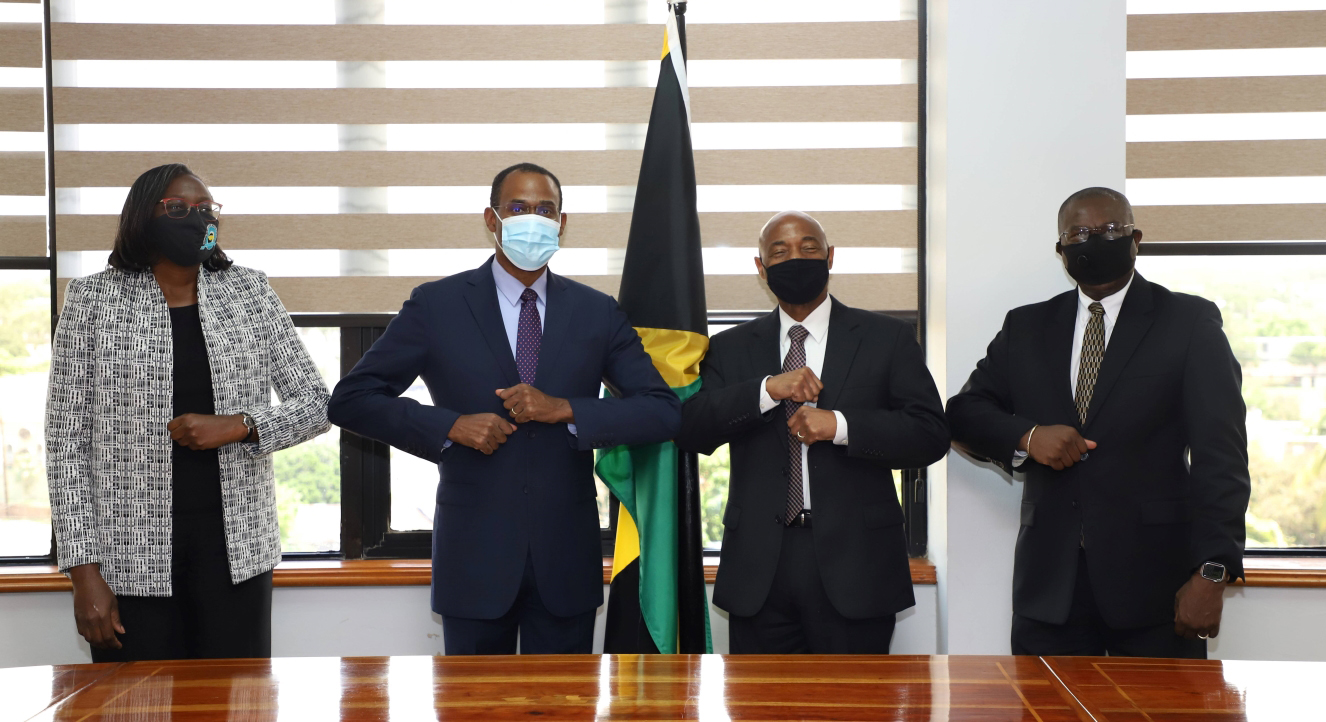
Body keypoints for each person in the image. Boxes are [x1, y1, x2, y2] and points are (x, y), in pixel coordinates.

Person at [327, 162, 681, 656]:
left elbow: (663, 411)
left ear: (562, 222)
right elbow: (351, 400)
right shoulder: (437, 304)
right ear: (492, 220)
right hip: (473, 559)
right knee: (471, 710)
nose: (532, 219)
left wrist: (567, 410)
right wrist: (449, 425)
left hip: (566, 560)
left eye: (545, 209)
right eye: (518, 208)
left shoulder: (596, 311)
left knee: (564, 714)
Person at [946, 187, 1250, 658]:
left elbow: (1222, 458)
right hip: (1049, 592)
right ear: (1061, 249)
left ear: (1136, 238)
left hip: (1156, 590)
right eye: (1080, 233)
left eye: (1110, 230)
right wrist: (1027, 437)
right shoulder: (1027, 327)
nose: (1095, 240)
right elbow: (963, 413)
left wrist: (1211, 573)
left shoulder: (1188, 322)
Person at [45, 163, 331, 662]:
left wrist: (242, 425)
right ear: (143, 216)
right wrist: (83, 571)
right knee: (136, 708)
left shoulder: (250, 292)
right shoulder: (91, 300)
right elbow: (65, 443)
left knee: (236, 705)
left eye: (206, 210)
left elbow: (316, 404)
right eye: (178, 208)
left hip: (236, 558)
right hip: (128, 559)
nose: (196, 219)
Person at [676, 211, 948, 654]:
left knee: (855, 706)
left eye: (808, 247)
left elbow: (930, 434)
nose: (795, 258)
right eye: (779, 252)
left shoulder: (886, 338)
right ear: (761, 268)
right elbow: (692, 428)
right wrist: (766, 390)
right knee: (760, 708)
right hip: (760, 565)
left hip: (858, 563)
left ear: (830, 257)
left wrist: (841, 426)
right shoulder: (730, 346)